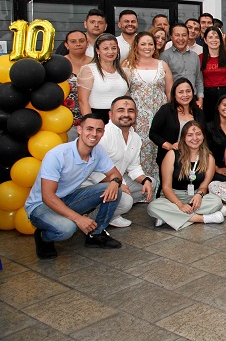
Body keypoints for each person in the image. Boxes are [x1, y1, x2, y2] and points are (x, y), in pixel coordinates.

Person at [26, 113, 124, 259]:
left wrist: (114, 183)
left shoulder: (97, 151)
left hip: (67, 198)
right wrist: (78, 219)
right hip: (40, 205)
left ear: (103, 133)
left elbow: (115, 174)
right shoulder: (58, 155)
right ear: (79, 130)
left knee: (114, 191)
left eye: (98, 130)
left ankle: (95, 235)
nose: (94, 134)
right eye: (89, 129)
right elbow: (47, 196)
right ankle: (43, 236)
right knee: (67, 229)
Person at [147, 121, 224, 229]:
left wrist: (199, 195)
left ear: (203, 137)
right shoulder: (172, 154)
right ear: (183, 137)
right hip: (173, 198)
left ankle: (167, 218)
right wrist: (180, 204)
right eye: (190, 135)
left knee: (216, 202)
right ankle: (202, 219)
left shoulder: (209, 157)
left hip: (194, 197)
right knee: (153, 207)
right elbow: (166, 187)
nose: (195, 138)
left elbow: (204, 185)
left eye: (198, 134)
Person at [91, 96, 153, 228]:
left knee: (151, 183)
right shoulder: (103, 135)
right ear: (110, 114)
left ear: (136, 114)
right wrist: (117, 185)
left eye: (130, 111)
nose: (126, 114)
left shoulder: (135, 137)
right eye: (120, 110)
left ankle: (112, 213)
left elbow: (134, 167)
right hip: (96, 182)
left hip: (118, 179)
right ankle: (92, 217)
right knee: (126, 202)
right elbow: (93, 171)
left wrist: (145, 180)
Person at [122, 31, 174, 183]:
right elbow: (124, 92)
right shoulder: (127, 65)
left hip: (160, 115)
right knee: (138, 149)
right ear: (136, 46)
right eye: (143, 44)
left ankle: (159, 186)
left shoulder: (162, 65)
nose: (147, 47)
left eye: (150, 44)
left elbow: (170, 92)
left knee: (159, 148)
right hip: (138, 118)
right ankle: (140, 185)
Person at [77, 33, 129, 124]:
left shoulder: (124, 71)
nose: (110, 52)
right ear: (97, 50)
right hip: (97, 117)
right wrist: (90, 123)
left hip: (121, 119)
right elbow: (83, 101)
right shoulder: (89, 70)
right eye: (105, 48)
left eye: (114, 48)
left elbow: (126, 96)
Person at [200, 27, 226, 123]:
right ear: (205, 40)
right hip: (208, 95)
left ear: (221, 40)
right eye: (210, 37)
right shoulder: (200, 58)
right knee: (210, 123)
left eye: (216, 37)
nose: (214, 40)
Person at [160, 23, 205, 104]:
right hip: (174, 100)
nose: (181, 38)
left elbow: (199, 79)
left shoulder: (195, 56)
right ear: (171, 37)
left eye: (184, 35)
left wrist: (200, 98)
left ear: (188, 37)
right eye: (177, 35)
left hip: (193, 99)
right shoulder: (164, 56)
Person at [62, 30, 93, 133]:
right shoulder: (58, 65)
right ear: (66, 45)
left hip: (92, 117)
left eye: (81, 41)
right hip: (66, 120)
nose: (78, 44)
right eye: (73, 41)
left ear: (87, 43)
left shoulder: (96, 63)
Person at [206, 94, 226, 182]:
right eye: (225, 105)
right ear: (218, 106)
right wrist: (216, 169)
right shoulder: (208, 127)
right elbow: (205, 150)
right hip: (213, 168)